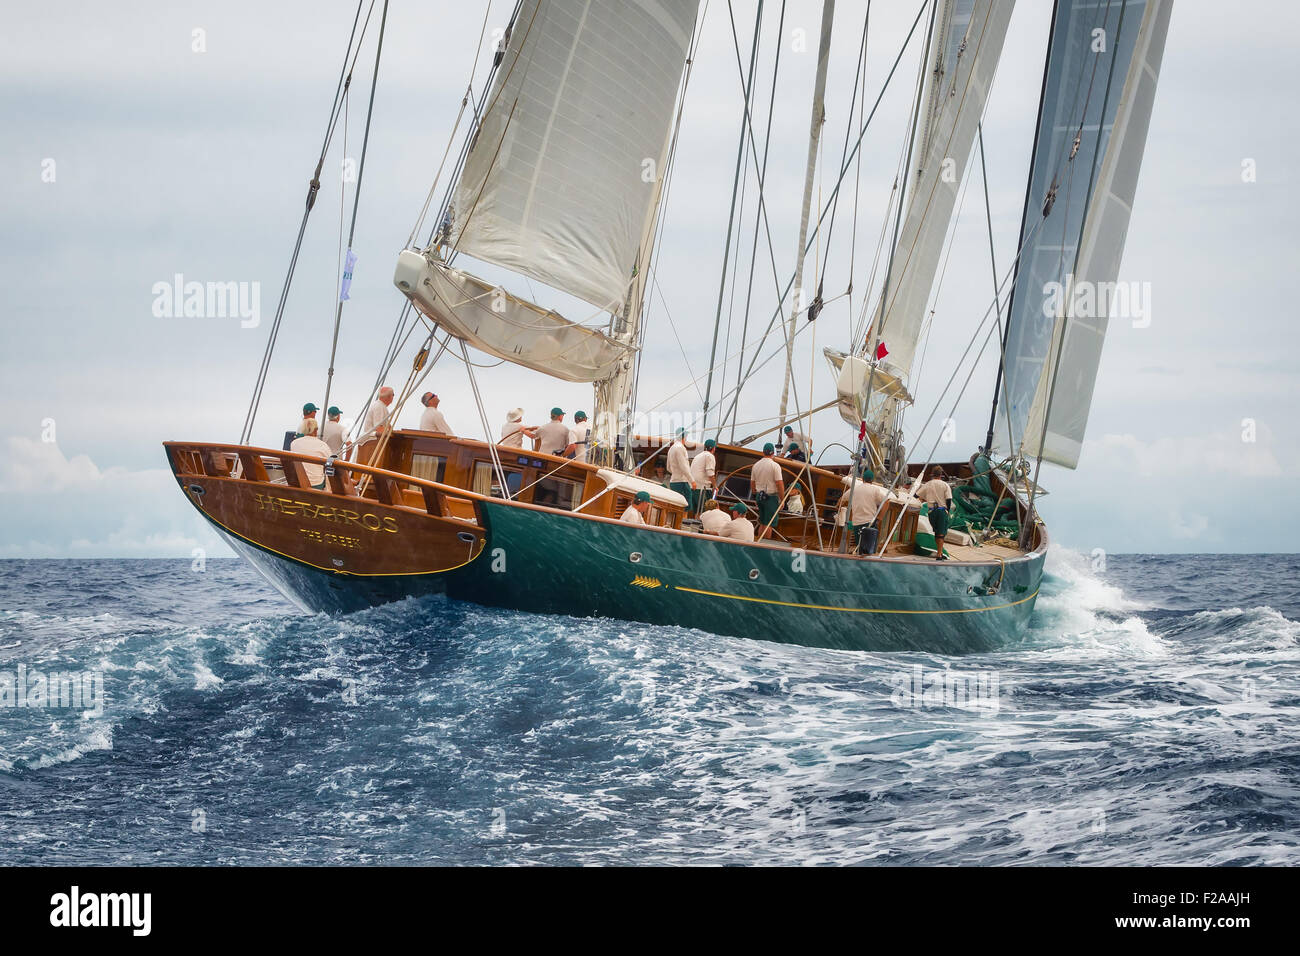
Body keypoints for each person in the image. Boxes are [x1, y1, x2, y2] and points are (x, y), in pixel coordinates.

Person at [841, 470, 888, 552]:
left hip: (856, 523)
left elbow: (842, 499)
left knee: (859, 548)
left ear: (863, 479)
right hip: (869, 522)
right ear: (872, 480)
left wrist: (837, 506)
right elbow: (887, 501)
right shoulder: (875, 490)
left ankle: (859, 558)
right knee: (869, 549)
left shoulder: (855, 489)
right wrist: (880, 517)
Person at [916, 465, 954, 560]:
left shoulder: (928, 484)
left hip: (931, 512)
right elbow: (948, 499)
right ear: (941, 475)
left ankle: (938, 551)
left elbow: (916, 495)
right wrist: (947, 511)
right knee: (940, 534)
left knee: (936, 532)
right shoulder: (945, 485)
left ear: (932, 474)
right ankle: (939, 554)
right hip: (941, 511)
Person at [750, 443, 785, 540]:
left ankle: (759, 543)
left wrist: (754, 496)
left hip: (759, 496)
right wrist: (782, 499)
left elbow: (752, 483)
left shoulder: (756, 465)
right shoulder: (775, 466)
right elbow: (779, 484)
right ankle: (765, 546)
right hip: (771, 497)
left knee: (762, 522)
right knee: (769, 523)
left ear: (763, 452)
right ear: (773, 453)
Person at [289, 420, 332, 490]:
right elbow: (331, 464)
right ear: (316, 430)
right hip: (315, 484)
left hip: (297, 482)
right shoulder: (323, 445)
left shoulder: (294, 443)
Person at [357, 387, 394, 465]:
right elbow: (379, 428)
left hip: (371, 443)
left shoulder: (380, 406)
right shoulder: (379, 407)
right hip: (372, 443)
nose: (393, 397)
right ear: (389, 397)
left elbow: (387, 426)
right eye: (393, 395)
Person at [689, 437, 717, 515]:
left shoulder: (698, 456)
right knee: (705, 513)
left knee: (696, 513)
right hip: (702, 489)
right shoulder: (710, 456)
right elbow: (710, 473)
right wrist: (715, 486)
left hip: (692, 487)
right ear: (714, 448)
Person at [666, 429, 693, 504]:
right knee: (686, 506)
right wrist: (692, 481)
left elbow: (668, 467)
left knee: (674, 505)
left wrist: (675, 473)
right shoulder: (680, 448)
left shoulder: (671, 448)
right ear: (683, 437)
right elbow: (684, 466)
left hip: (673, 482)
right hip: (682, 482)